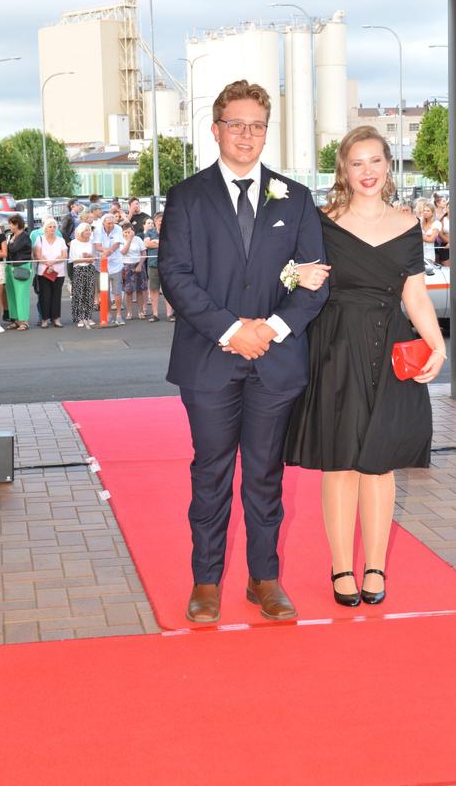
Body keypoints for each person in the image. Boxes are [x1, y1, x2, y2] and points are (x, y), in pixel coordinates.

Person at [160, 78, 327, 625]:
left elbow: (315, 281)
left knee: (264, 475)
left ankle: (264, 577)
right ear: (216, 130)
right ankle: (206, 581)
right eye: (237, 124)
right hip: (210, 359)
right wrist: (233, 331)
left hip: (275, 363)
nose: (247, 135)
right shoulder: (187, 197)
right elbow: (176, 278)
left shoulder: (296, 198)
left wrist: (272, 328)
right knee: (210, 473)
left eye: (257, 125)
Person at [284, 126, 444, 607]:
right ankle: (341, 568)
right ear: (344, 170)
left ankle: (375, 564)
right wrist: (294, 273)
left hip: (389, 343)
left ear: (389, 166)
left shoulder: (407, 224)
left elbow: (413, 293)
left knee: (379, 463)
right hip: (335, 345)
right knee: (341, 464)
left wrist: (437, 346)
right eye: (358, 163)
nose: (368, 171)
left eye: (376, 161)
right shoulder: (321, 221)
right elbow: (283, 271)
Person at [33, 217, 67, 328]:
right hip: (44, 271)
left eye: (54, 227)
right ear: (45, 228)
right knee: (45, 296)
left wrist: (54, 262)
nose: (52, 228)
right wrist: (48, 264)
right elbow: (38, 254)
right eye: (50, 227)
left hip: (59, 272)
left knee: (56, 296)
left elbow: (64, 255)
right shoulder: (40, 239)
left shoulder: (61, 240)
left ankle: (56, 319)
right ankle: (44, 319)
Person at [94, 212, 124, 325]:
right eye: (108, 223)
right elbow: (97, 246)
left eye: (112, 223)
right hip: (101, 266)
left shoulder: (118, 228)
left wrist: (108, 251)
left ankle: (119, 315)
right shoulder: (97, 230)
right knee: (104, 291)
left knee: (117, 291)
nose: (111, 225)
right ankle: (107, 314)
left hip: (116, 264)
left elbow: (117, 244)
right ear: (103, 223)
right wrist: (106, 252)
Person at [144, 214, 174, 322]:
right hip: (153, 264)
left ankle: (169, 314)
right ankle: (155, 314)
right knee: (153, 289)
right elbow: (146, 244)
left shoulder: (171, 232)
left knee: (168, 290)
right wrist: (162, 243)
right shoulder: (150, 232)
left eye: (163, 220)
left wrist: (156, 242)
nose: (161, 222)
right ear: (155, 221)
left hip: (168, 264)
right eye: (159, 220)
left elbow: (172, 245)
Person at [5, 214, 33, 330]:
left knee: (21, 295)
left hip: (22, 266)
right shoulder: (11, 235)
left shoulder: (25, 236)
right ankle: (16, 320)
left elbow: (13, 248)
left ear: (17, 224)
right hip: (10, 267)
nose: (10, 226)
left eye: (11, 224)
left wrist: (9, 243)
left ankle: (24, 321)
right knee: (11, 295)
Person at [69, 222, 97, 327]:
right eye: (86, 230)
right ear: (81, 231)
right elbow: (72, 259)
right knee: (79, 293)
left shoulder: (92, 242)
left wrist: (89, 257)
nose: (88, 232)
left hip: (90, 268)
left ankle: (88, 316)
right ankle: (80, 317)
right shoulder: (74, 242)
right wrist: (85, 258)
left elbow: (94, 257)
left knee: (90, 292)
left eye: (89, 230)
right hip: (78, 269)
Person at [120, 222, 148, 318]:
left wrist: (140, 264)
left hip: (138, 264)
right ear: (123, 232)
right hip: (126, 265)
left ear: (133, 231)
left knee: (140, 290)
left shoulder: (138, 239)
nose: (128, 234)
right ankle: (129, 313)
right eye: (126, 232)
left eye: (130, 231)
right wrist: (129, 240)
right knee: (128, 291)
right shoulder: (121, 240)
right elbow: (123, 252)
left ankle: (141, 312)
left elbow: (143, 253)